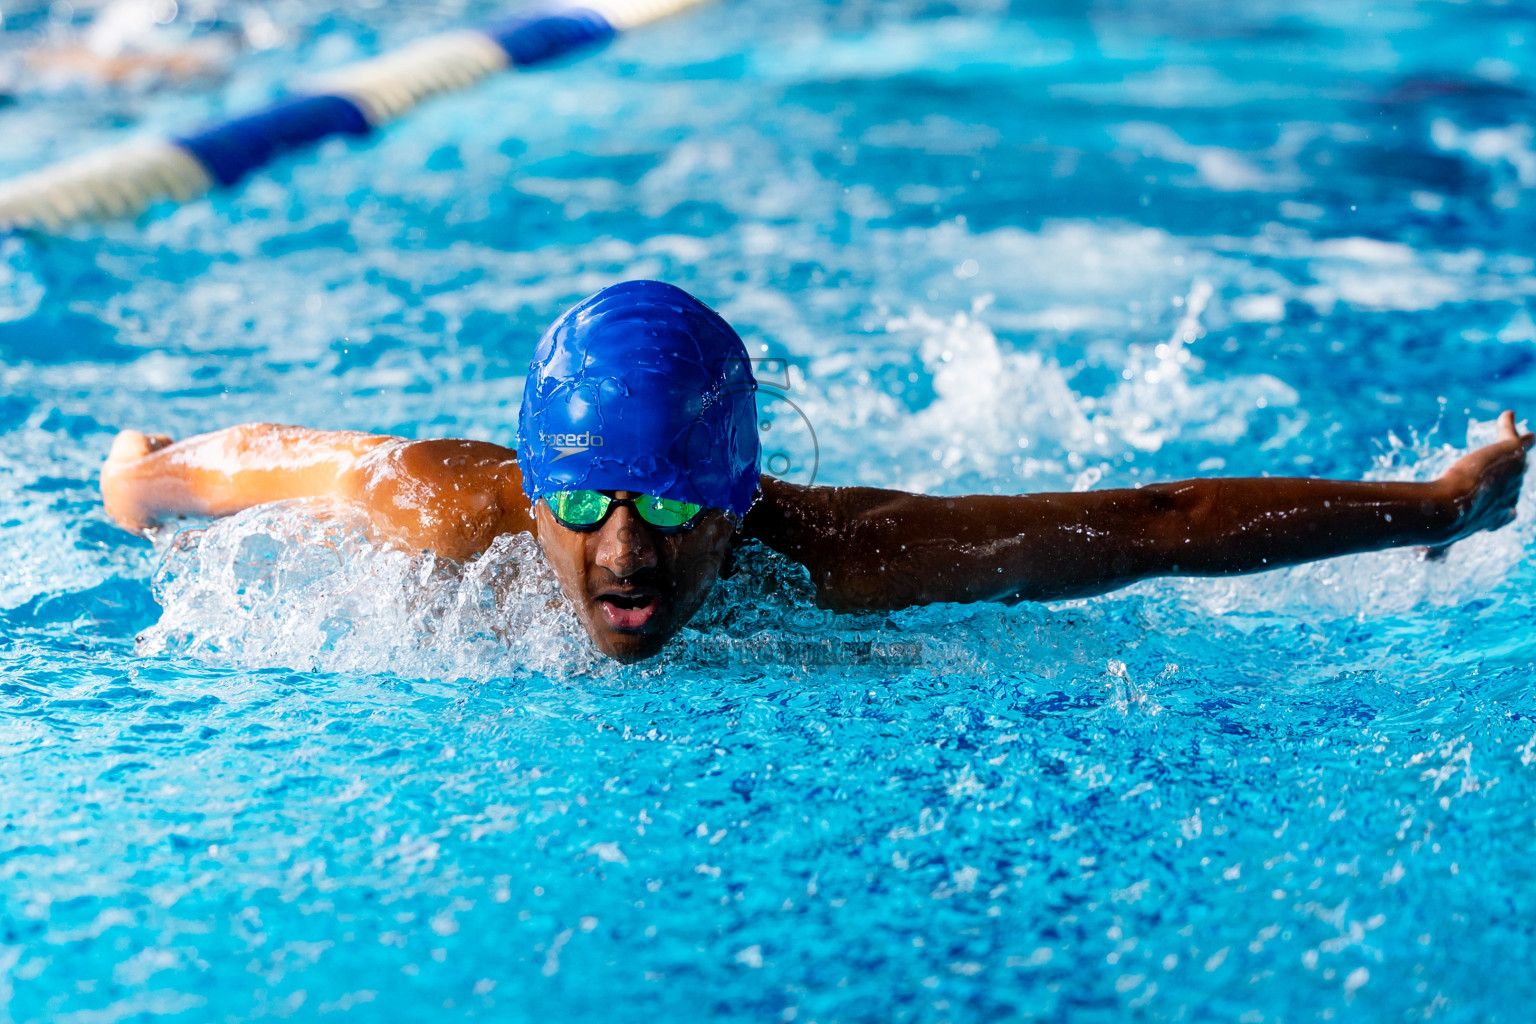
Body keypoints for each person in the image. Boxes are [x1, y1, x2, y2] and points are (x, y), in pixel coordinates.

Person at [101, 280, 1533, 664]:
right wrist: (143, 482)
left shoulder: (839, 559)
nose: (625, 553)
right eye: (588, 504)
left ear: (735, 507)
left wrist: (1435, 508)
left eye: (670, 506)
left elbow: (1145, 524)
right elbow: (264, 461)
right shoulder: (450, 511)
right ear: (535, 496)